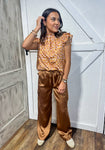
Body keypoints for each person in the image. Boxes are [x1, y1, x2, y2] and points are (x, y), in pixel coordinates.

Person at [22, 8, 75, 148]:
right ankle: (42, 133)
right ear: (45, 21)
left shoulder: (65, 37)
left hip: (59, 77)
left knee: (62, 107)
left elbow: (68, 61)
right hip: (44, 77)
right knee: (43, 107)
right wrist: (37, 27)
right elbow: (25, 45)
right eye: (53, 19)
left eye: (58, 19)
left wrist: (64, 80)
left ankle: (65, 133)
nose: (57, 22)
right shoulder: (40, 41)